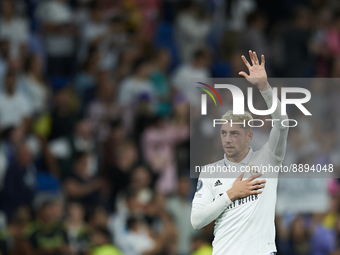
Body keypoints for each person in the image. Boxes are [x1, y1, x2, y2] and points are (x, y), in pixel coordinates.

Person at [190, 51, 289, 255]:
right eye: (224, 133)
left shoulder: (268, 158)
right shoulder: (210, 172)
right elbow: (196, 220)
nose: (227, 139)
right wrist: (230, 194)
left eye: (235, 133)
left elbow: (283, 125)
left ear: (249, 136)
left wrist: (264, 88)